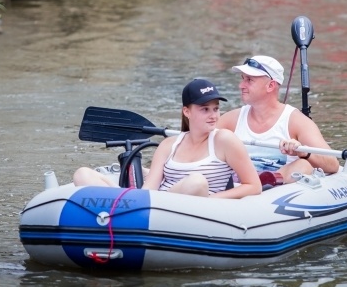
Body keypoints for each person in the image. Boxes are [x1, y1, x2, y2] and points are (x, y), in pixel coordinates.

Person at [73, 79, 262, 199]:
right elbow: (149, 189)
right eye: (205, 109)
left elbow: (254, 186)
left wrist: (215, 198)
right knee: (82, 174)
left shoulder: (225, 140)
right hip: (156, 209)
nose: (213, 115)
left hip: (198, 213)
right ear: (186, 111)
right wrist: (136, 201)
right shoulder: (169, 145)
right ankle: (122, 215)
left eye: (215, 108)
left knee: (197, 182)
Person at [217, 56, 341, 186]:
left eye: (249, 80)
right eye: (242, 79)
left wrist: (304, 152)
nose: (241, 85)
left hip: (274, 192)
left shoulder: (296, 121)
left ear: (270, 86)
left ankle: (265, 183)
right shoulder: (231, 119)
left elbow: (332, 164)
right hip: (237, 183)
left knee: (303, 164)